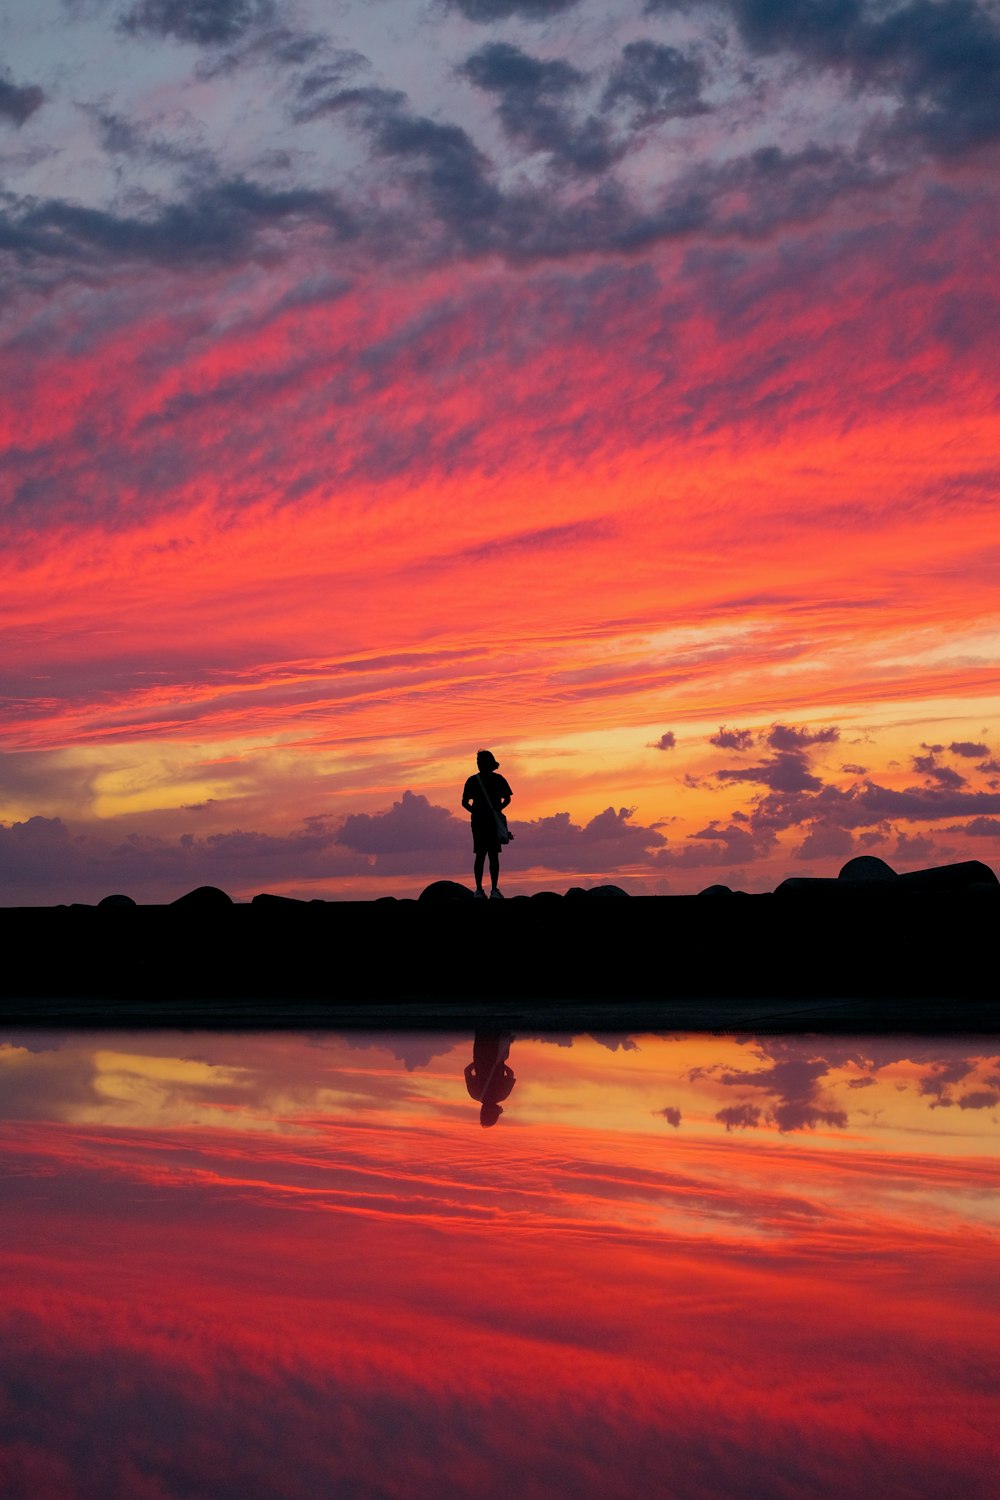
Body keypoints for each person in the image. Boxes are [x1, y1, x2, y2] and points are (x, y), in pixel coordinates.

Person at [461, 749, 512, 899]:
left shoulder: (473, 780)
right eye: (478, 762)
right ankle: (494, 890)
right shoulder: (498, 779)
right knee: (493, 855)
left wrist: (475, 812)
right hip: (490, 821)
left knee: (480, 855)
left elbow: (464, 803)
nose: (478, 764)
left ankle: (479, 890)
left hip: (478, 822)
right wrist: (497, 810)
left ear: (487, 763)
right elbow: (508, 799)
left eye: (480, 762)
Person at [464, 1031, 516, 1127]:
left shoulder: (502, 1095)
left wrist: (499, 1064)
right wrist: (478, 1063)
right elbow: (467, 1071)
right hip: (479, 1053)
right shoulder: (475, 1094)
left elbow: (510, 1074)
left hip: (497, 1053)